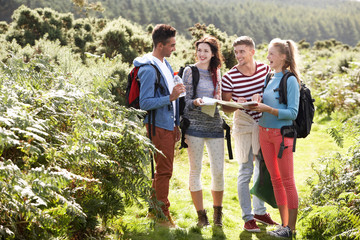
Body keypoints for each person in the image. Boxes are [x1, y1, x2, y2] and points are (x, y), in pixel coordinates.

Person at [221, 36, 278, 232]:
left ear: (252, 52)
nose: (238, 56)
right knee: (246, 170)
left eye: (242, 52)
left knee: (263, 169)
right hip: (244, 124)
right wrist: (239, 102)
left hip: (264, 124)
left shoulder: (265, 70)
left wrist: (261, 97)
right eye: (236, 52)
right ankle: (247, 217)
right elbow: (225, 107)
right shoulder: (229, 77)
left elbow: (273, 93)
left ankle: (260, 212)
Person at [133, 24, 185, 228]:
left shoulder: (166, 65)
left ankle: (153, 211)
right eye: (171, 45)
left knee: (162, 171)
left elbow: (170, 99)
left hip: (168, 125)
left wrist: (176, 124)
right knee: (165, 172)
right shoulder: (148, 69)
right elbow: (145, 103)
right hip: (157, 126)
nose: (174, 48)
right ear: (160, 44)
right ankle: (163, 216)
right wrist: (169, 97)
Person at [248, 38, 300, 238]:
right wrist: (257, 100)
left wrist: (268, 109)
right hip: (264, 133)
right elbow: (265, 99)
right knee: (276, 180)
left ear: (283, 57)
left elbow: (292, 113)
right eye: (267, 53)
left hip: (281, 136)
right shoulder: (269, 77)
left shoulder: (291, 80)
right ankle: (283, 226)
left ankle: (291, 229)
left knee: (287, 180)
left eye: (271, 53)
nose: (267, 57)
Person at [182, 36, 225, 227]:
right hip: (194, 127)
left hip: (215, 125)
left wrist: (220, 102)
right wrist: (196, 102)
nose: (201, 54)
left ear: (213, 53)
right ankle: (202, 217)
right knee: (195, 170)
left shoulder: (217, 72)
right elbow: (185, 102)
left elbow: (219, 98)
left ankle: (218, 217)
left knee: (218, 171)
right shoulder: (190, 71)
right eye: (199, 50)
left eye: (206, 51)